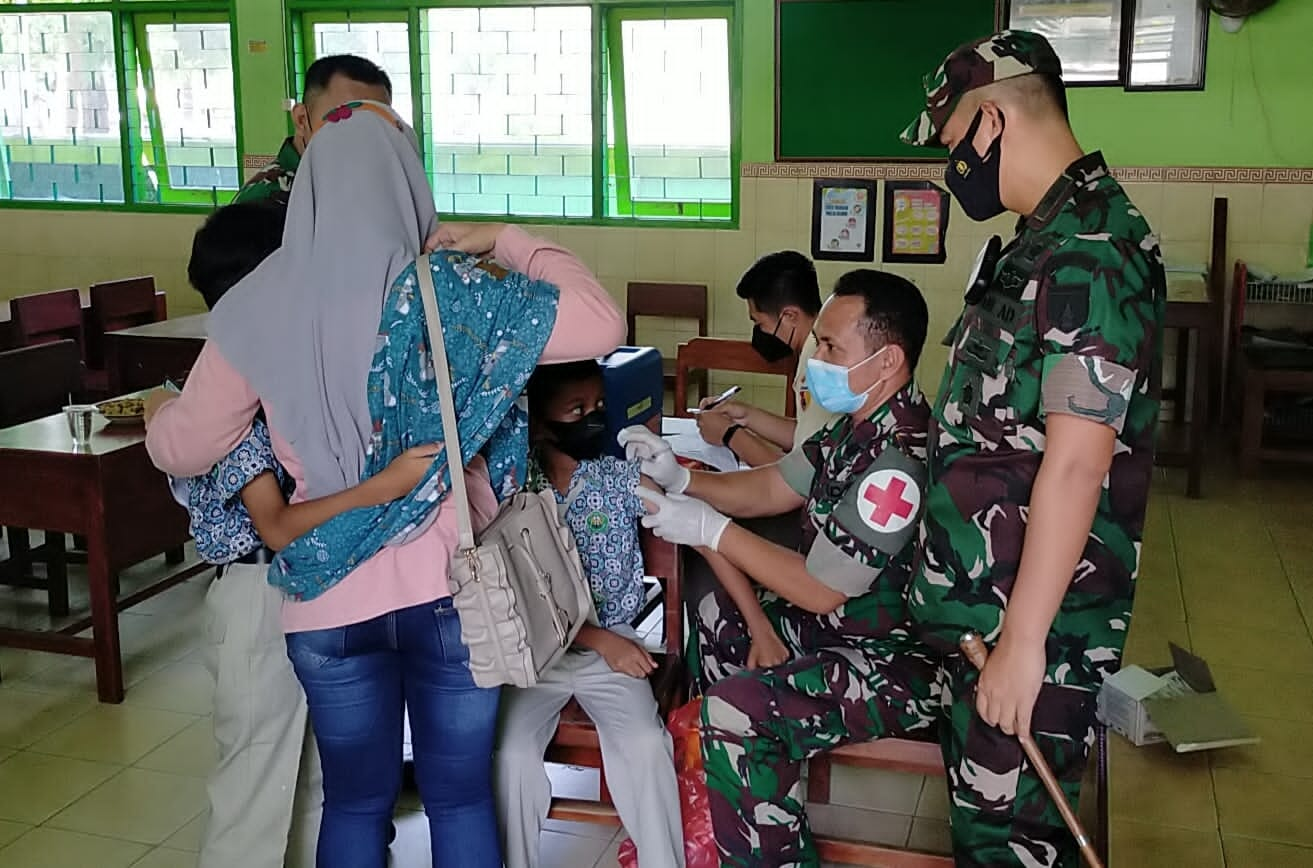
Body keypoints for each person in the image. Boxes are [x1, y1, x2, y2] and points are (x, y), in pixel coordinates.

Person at [145, 101, 625, 868]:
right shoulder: (455, 292)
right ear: (408, 184)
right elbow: (602, 322)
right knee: (460, 797)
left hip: (326, 606)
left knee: (355, 800)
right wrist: (506, 239)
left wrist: (170, 408)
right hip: (452, 593)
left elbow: (182, 447)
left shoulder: (256, 305)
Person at [900, 30, 1165, 866]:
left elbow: (1080, 461)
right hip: (987, 610)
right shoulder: (1039, 236)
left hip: (1029, 628)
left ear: (991, 120)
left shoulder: (1092, 248)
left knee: (1008, 846)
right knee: (987, 835)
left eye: (953, 147)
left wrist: (1022, 647)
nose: (954, 171)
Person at [621, 270, 941, 867]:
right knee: (715, 623)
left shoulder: (898, 459)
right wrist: (684, 479)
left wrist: (710, 528)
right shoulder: (854, 426)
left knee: (733, 714)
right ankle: (744, 808)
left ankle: (770, 841)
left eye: (830, 348)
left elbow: (819, 589)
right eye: (817, 341)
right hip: (837, 631)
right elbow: (774, 486)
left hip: (889, 659)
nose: (814, 358)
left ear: (886, 359)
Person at [163, 199, 441, 868]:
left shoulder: (294, 375)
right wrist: (384, 486)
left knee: (325, 780)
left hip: (318, 592)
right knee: (255, 785)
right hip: (261, 591)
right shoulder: (226, 398)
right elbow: (278, 526)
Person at [494, 360, 684, 868]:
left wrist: (675, 476)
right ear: (537, 423)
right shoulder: (512, 487)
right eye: (576, 410)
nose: (593, 419)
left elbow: (688, 521)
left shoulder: (617, 479)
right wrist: (598, 640)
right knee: (509, 756)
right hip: (538, 655)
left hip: (615, 650)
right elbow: (520, 595)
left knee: (645, 744)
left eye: (598, 406)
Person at [693, 251, 832, 468]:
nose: (759, 331)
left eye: (759, 323)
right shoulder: (816, 343)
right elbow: (805, 435)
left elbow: (800, 479)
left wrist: (729, 435)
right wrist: (743, 414)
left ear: (789, 316)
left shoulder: (819, 361)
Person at [233, 54, 392, 205]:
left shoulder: (365, 182)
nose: (360, 137)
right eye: (344, 121)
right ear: (301, 119)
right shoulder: (267, 201)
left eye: (377, 124)